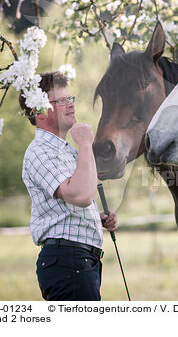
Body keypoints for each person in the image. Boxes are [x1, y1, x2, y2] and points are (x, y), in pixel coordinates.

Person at [19, 71, 117, 301]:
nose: (70, 105)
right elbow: (81, 194)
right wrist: (84, 141)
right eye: (60, 101)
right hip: (67, 261)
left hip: (80, 260)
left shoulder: (65, 151)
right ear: (38, 110)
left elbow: (76, 201)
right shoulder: (39, 151)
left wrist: (96, 217)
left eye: (70, 98)